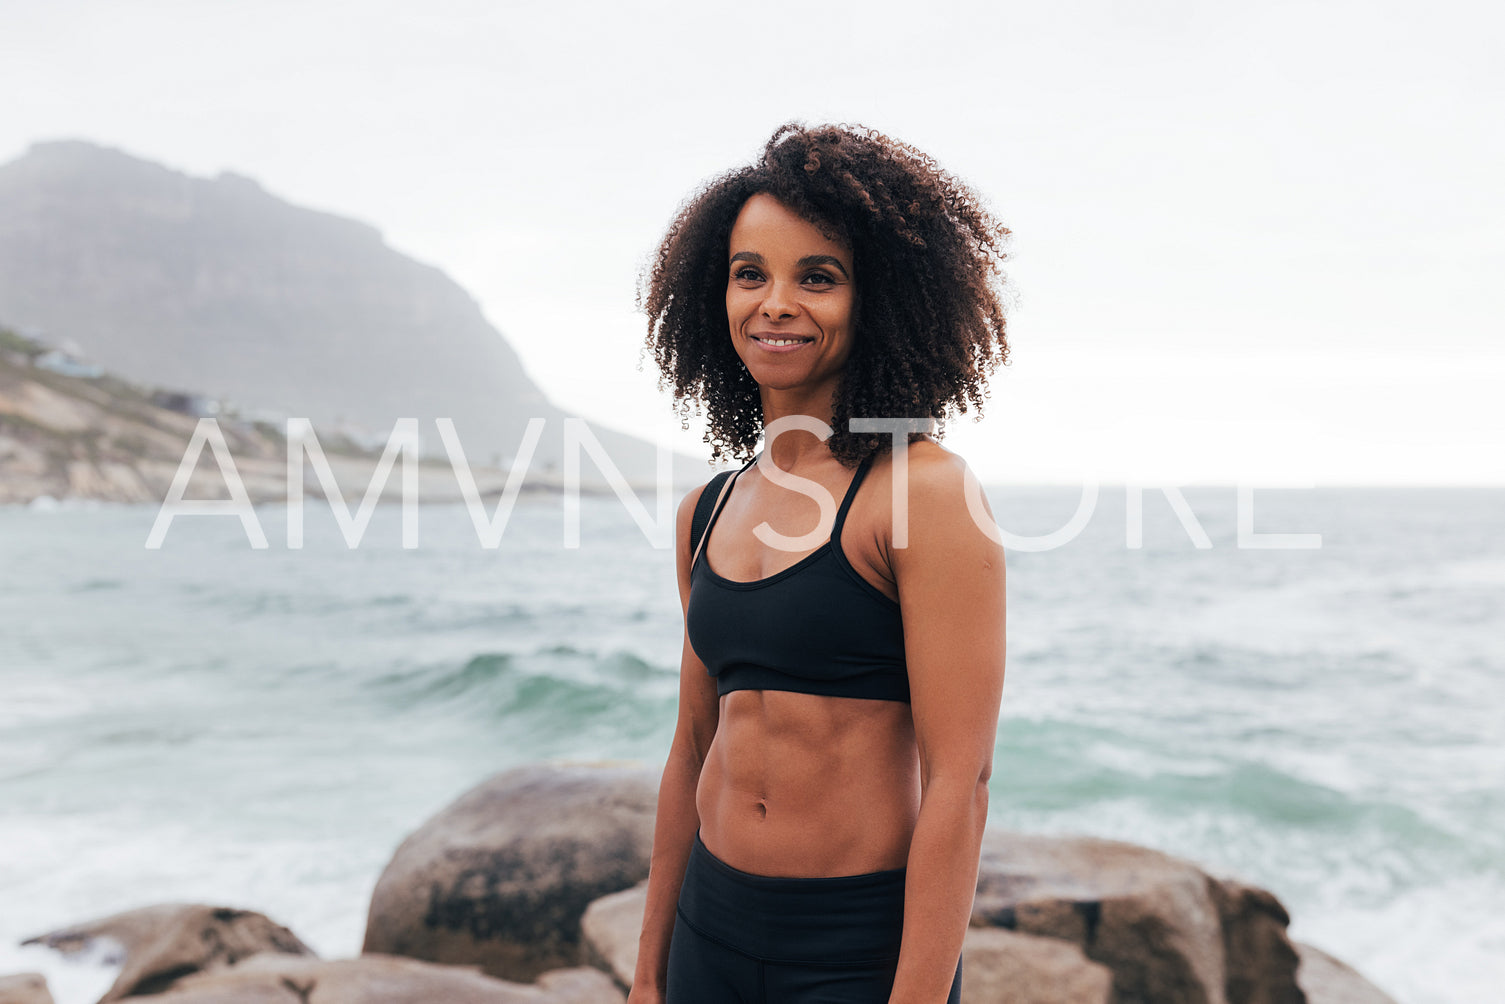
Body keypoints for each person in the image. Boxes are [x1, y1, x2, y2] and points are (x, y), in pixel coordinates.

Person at [629, 121, 1011, 1004]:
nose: (775, 302)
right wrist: (650, 970)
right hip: (709, 930)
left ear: (876, 301)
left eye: (817, 276)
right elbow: (690, 749)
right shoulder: (706, 511)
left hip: (852, 950)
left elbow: (962, 782)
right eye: (749, 273)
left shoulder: (922, 494)